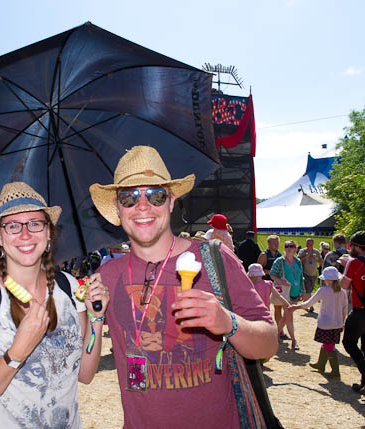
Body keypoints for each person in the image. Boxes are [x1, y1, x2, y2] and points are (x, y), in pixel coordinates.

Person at [89, 146, 277, 428]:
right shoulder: (107, 275)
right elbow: (84, 366)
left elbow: (269, 343)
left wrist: (229, 323)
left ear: (172, 201)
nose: (142, 206)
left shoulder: (215, 259)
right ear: (118, 208)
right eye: (129, 197)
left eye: (155, 195)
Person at [0, 182, 108, 428]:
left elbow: (85, 374)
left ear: (48, 233)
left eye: (35, 223)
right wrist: (18, 352)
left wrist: (97, 318)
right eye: (12, 226)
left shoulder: (69, 287)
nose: (25, 234)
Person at [289, 266, 348, 380]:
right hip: (337, 323)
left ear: (327, 279)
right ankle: (320, 364)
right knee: (329, 343)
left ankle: (335, 372)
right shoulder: (342, 292)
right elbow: (345, 310)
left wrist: (296, 307)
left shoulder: (323, 290)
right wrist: (342, 323)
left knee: (328, 345)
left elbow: (309, 303)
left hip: (325, 323)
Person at [339, 231, 365, 393]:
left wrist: (344, 267)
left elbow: (343, 285)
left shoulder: (354, 263)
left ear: (357, 247)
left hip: (359, 311)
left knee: (349, 343)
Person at [269, 240, 304, 350]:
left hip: (295, 292)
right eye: (287, 246)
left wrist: (301, 291)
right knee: (289, 317)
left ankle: (274, 335)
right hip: (285, 293)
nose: (289, 248)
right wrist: (283, 282)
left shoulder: (298, 261)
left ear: (295, 248)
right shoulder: (280, 261)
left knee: (286, 316)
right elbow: (272, 275)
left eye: (291, 246)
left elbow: (300, 277)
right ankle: (294, 340)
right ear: (284, 248)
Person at [247, 263, 291, 335]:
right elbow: (279, 296)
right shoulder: (268, 284)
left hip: (253, 313)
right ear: (261, 274)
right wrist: (288, 304)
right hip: (265, 312)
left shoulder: (250, 286)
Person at [298, 238, 323, 313]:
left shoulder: (316, 251)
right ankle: (310, 306)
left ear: (313, 244)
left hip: (313, 274)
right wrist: (305, 257)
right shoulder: (302, 251)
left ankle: (305, 304)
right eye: (308, 244)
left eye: (310, 244)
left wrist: (316, 258)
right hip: (305, 273)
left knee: (310, 290)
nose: (309, 245)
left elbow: (321, 262)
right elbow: (297, 260)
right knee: (308, 290)